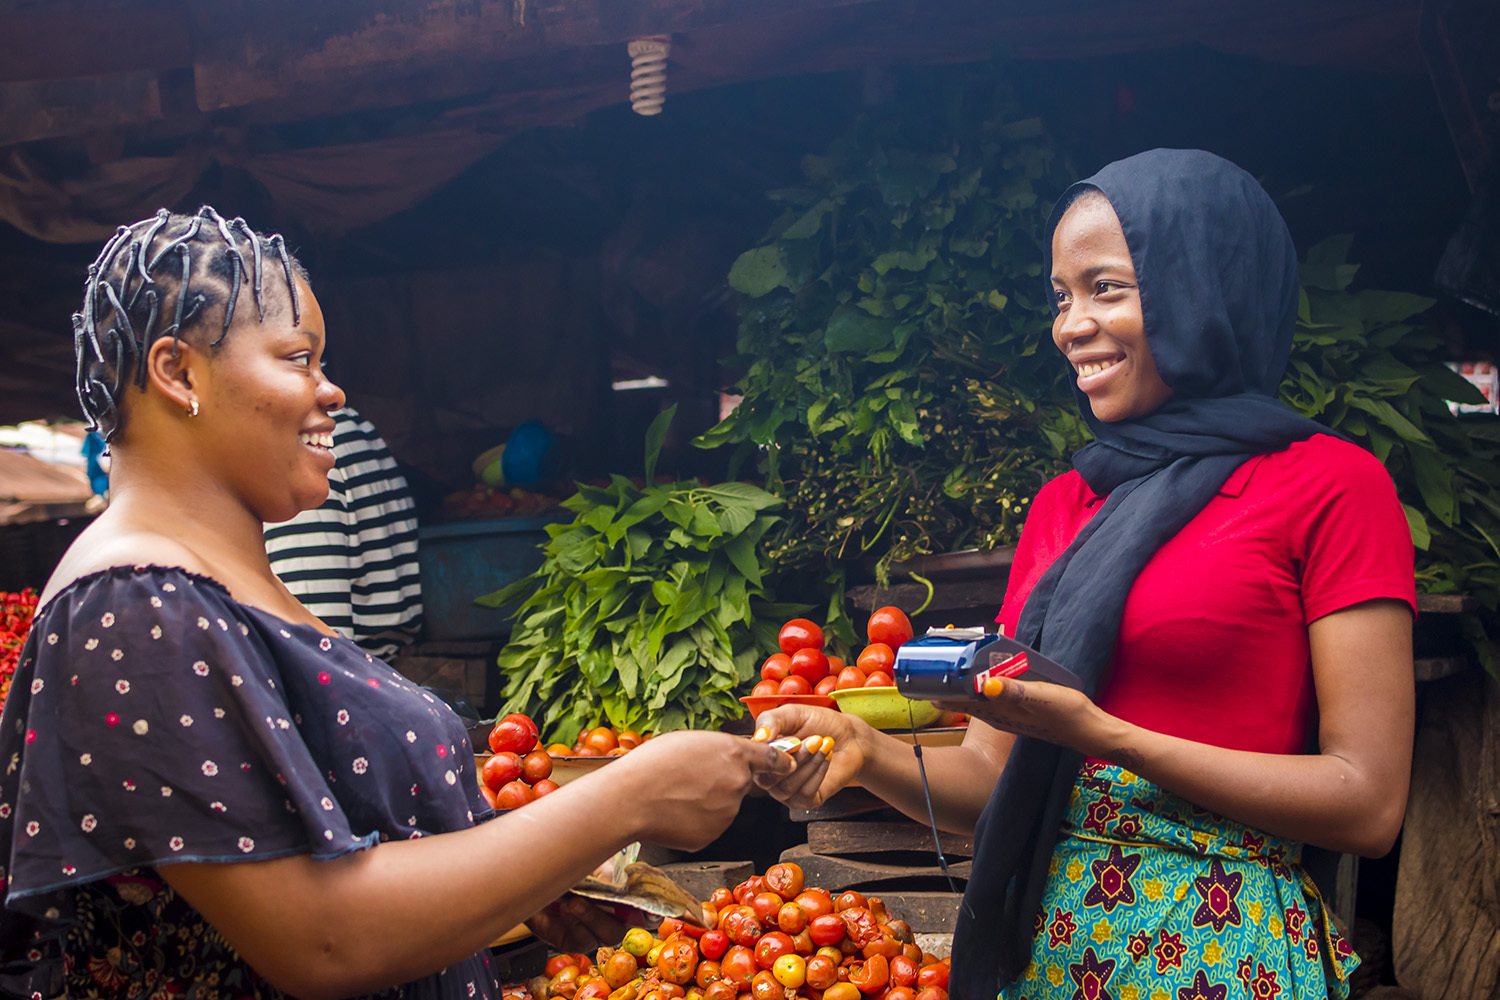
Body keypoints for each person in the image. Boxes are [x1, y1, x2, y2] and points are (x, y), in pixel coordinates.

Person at [0, 207, 800, 1000]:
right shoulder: (138, 609)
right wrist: (627, 797)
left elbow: (335, 852)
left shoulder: (226, 582)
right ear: (178, 374)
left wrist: (527, 878)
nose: (332, 391)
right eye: (299, 358)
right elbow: (322, 939)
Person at [758, 149, 1417, 1000]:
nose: (1071, 325)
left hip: (1222, 953)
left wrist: (1108, 737)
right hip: (1052, 950)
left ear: (1202, 285)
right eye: (1061, 297)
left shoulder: (1331, 484)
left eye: (1106, 288)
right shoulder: (1068, 505)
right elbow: (995, 779)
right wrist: (866, 750)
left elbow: (1367, 804)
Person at [264, 405, 423, 660]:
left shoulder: (297, 446)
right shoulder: (343, 427)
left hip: (346, 680)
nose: (332, 391)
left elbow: (314, 653)